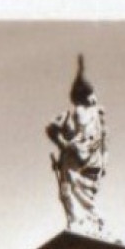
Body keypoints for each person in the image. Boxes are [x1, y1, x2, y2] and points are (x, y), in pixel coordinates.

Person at [46, 56, 107, 236]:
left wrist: (63, 144)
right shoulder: (83, 113)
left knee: (71, 191)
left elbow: (51, 129)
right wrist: (65, 145)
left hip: (82, 161)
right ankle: (84, 222)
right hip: (78, 159)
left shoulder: (93, 114)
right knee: (72, 191)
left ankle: (84, 222)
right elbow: (52, 129)